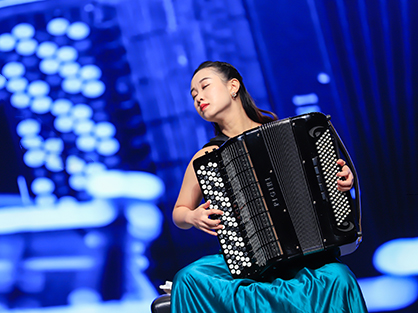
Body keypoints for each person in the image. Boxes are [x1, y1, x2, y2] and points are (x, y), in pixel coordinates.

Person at [171, 61, 367, 312]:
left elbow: (325, 187)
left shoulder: (289, 136)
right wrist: (192, 215)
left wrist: (340, 179)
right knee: (188, 278)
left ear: (233, 86)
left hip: (307, 256)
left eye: (205, 86)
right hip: (251, 263)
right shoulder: (208, 157)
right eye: (193, 94)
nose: (199, 97)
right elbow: (179, 212)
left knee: (339, 276)